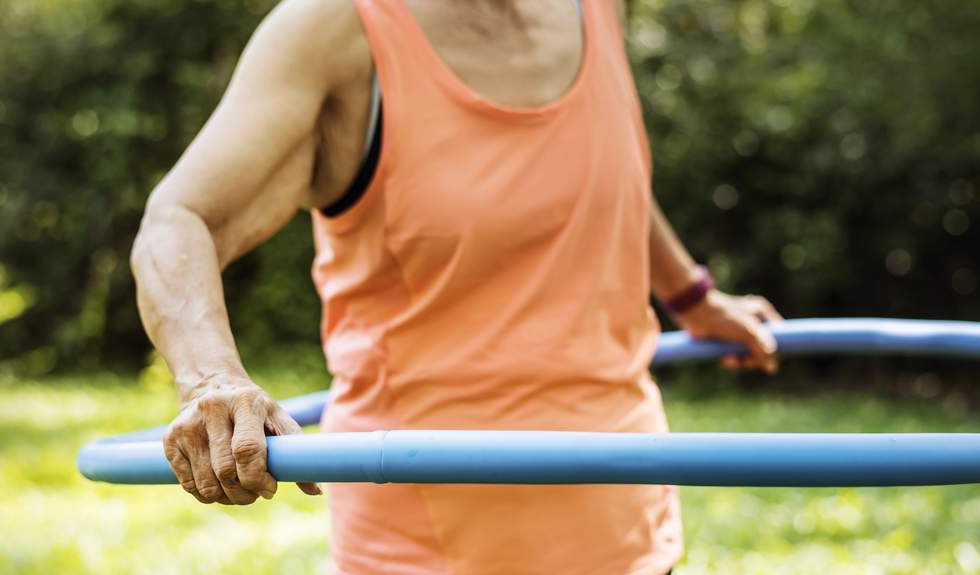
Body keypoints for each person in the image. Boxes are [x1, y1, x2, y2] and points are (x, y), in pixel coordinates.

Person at [130, 0, 783, 573]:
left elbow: (605, 174)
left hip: (623, 506)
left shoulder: (596, 8)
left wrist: (693, 296)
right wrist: (211, 379)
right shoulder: (335, 31)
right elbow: (180, 219)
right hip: (427, 532)